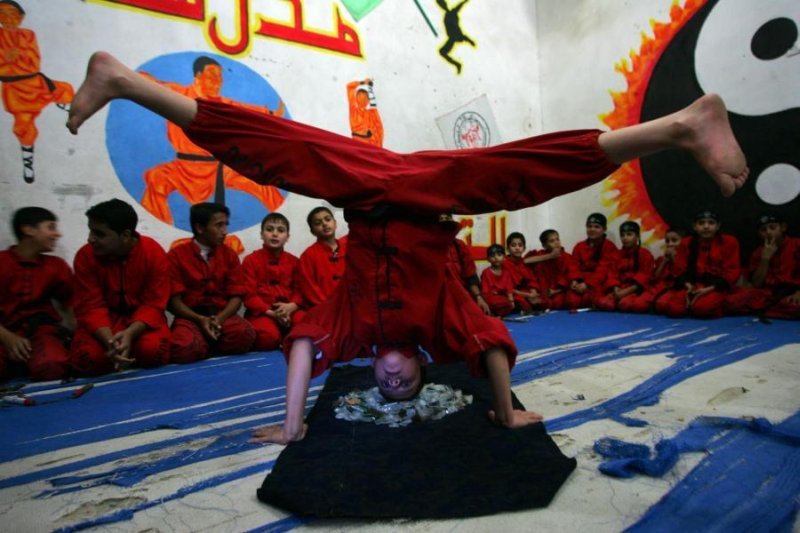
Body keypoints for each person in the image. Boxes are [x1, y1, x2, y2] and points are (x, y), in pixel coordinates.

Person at [66, 51, 748, 443]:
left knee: (276, 153)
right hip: (423, 190)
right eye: (404, 382)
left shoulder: (356, 327)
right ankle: (678, 125)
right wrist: (506, 410)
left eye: (383, 384)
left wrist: (293, 425)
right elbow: (487, 341)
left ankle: (127, 82)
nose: (391, 377)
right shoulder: (437, 323)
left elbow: (304, 342)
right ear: (423, 367)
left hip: (362, 191)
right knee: (520, 173)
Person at [138, 56, 285, 224]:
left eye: (220, 77)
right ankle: (158, 229)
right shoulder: (178, 94)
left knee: (263, 185)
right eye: (213, 75)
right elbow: (150, 83)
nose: (218, 81)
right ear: (198, 76)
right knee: (156, 179)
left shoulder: (223, 104)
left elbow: (249, 112)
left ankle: (282, 225)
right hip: (182, 167)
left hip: (219, 169)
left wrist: (273, 113)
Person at [69, 199, 170, 375]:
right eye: (91, 231)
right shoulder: (85, 256)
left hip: (142, 322)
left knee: (152, 353)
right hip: (104, 325)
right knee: (88, 359)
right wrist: (110, 342)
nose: (90, 239)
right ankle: (120, 353)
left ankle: (126, 351)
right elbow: (91, 306)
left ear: (125, 236)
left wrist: (130, 333)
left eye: (99, 234)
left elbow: (154, 304)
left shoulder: (153, 252)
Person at [168, 203, 255, 362]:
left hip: (222, 316)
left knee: (245, 335)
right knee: (184, 348)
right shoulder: (176, 256)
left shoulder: (229, 255)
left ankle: (206, 342)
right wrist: (200, 319)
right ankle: (203, 342)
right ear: (200, 228)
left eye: (226, 225)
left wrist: (219, 319)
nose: (225, 232)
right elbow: (173, 302)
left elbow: (237, 296)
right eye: (219, 225)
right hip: (191, 317)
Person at [0, 0, 74, 183]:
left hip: (35, 82)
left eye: (13, 14)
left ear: (21, 17)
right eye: (3, 14)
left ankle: (69, 111)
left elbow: (33, 63)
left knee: (65, 89)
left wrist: (14, 61)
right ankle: (28, 163)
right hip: (15, 90)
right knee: (24, 128)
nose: (8, 18)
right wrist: (11, 63)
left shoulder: (28, 35)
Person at [0, 207, 73, 381]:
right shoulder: (2, 262)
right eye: (51, 227)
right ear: (29, 230)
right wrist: (8, 338)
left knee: (52, 365)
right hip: (3, 331)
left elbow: (72, 302)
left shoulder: (56, 266)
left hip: (40, 332)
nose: (57, 234)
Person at [654, 210, 741, 319]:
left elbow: (732, 272)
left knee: (702, 309)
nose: (706, 227)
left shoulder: (729, 241)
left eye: (711, 223)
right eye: (701, 223)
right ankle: (694, 303)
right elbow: (679, 270)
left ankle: (712, 304)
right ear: (694, 226)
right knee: (673, 309)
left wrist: (708, 289)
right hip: (692, 284)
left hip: (716, 286)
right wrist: (688, 287)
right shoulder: (686, 242)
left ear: (718, 226)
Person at [242, 212, 306, 351]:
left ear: (287, 237)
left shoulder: (295, 262)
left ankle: (288, 336)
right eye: (269, 229)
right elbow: (249, 295)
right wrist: (272, 313)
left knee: (305, 327)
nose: (275, 234)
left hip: (291, 310)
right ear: (261, 234)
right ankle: (281, 337)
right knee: (267, 339)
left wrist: (292, 306)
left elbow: (300, 290)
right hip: (262, 313)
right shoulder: (250, 261)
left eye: (280, 230)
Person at [724, 214, 799, 319]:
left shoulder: (796, 245)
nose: (768, 232)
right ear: (759, 234)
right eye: (763, 230)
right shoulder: (758, 252)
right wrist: (765, 259)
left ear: (783, 228)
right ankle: (770, 309)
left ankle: (766, 309)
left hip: (793, 291)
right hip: (769, 293)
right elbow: (757, 284)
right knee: (731, 302)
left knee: (793, 305)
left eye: (772, 228)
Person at [595, 221, 654, 313]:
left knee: (627, 304)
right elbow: (612, 274)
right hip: (620, 288)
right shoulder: (615, 255)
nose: (625, 238)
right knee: (603, 302)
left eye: (629, 234)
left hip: (636, 289)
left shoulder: (645, 254)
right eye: (622, 235)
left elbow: (645, 277)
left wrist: (625, 292)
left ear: (637, 236)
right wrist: (615, 288)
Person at [566, 213, 619, 310]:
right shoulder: (579, 246)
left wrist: (587, 284)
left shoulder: (609, 246)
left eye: (597, 227)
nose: (592, 229)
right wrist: (575, 280)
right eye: (589, 226)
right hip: (581, 281)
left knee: (593, 301)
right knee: (572, 301)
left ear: (604, 229)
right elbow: (573, 266)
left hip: (598, 283)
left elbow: (603, 270)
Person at [441, 213, 491, 315]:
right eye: (441, 219)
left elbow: (470, 274)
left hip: (461, 292)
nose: (445, 222)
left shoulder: (459, 245)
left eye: (447, 218)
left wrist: (478, 297)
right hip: (441, 295)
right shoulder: (429, 246)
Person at [298, 206, 347, 308]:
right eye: (318, 223)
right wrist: (327, 306)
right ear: (312, 231)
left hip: (351, 304)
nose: (324, 224)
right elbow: (309, 288)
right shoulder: (308, 256)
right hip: (324, 309)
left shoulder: (349, 248)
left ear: (335, 223)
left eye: (328, 219)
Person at [524, 229, 573, 310]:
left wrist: (555, 291)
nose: (556, 243)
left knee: (558, 303)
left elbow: (568, 277)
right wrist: (550, 256)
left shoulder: (567, 257)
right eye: (552, 241)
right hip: (543, 291)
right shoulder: (541, 254)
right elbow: (525, 261)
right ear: (544, 246)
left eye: (557, 239)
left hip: (559, 291)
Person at [505, 232, 544, 312]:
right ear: (508, 249)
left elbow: (532, 280)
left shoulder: (525, 263)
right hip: (513, 294)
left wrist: (534, 293)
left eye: (520, 245)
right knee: (522, 304)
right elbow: (507, 288)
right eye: (513, 245)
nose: (517, 248)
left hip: (525, 292)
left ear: (524, 248)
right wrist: (528, 295)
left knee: (543, 302)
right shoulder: (504, 263)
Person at [480, 244, 518, 317]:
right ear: (488, 259)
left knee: (515, 302)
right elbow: (485, 292)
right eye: (492, 256)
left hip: (503, 298)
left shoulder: (506, 272)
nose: (496, 258)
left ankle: (496, 313)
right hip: (491, 298)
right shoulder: (486, 272)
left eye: (499, 255)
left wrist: (511, 300)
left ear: (504, 258)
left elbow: (509, 288)